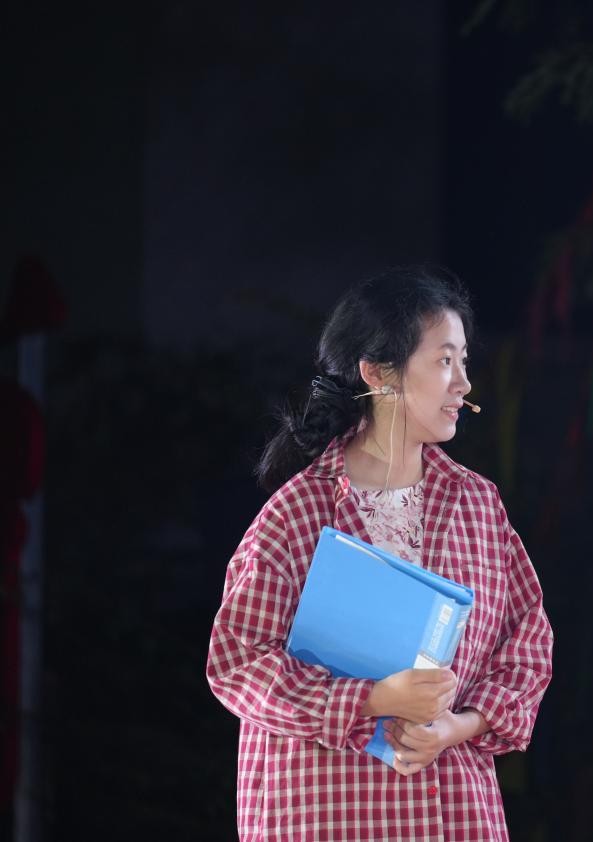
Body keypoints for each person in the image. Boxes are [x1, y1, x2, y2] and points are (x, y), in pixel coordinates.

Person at [207, 265, 553, 841]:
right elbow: (237, 663)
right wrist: (372, 699)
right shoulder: (297, 513)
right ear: (377, 372)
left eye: (464, 361)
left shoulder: (477, 505)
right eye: (444, 361)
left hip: (451, 814)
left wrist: (457, 727)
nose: (464, 383)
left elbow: (529, 645)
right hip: (321, 813)